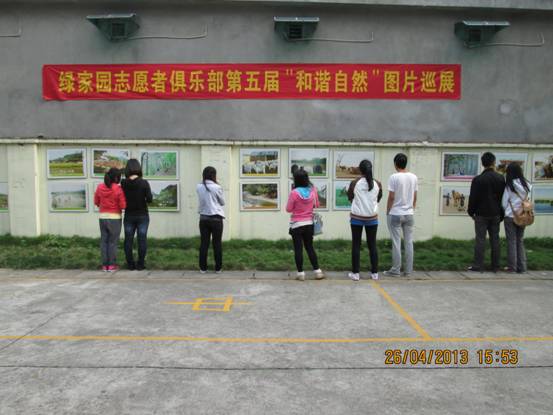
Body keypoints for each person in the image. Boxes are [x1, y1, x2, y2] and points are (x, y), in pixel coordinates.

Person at [467, 152, 505, 272]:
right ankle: (495, 266)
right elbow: (502, 197)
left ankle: (478, 265)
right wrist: (501, 213)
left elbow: (473, 198)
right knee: (495, 239)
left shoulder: (478, 179)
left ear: (482, 163)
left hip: (481, 213)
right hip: (495, 213)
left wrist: (471, 212)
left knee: (480, 240)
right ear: (494, 162)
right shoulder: (500, 178)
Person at [286, 169, 325, 281]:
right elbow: (317, 205)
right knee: (309, 247)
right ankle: (318, 272)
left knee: (298, 249)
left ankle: (301, 274)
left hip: (297, 225)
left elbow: (288, 209)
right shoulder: (312, 191)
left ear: (296, 180)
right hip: (309, 224)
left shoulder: (294, 193)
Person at [347, 159, 382, 281]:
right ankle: (375, 273)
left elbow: (350, 196)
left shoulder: (354, 183)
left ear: (360, 170)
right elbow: (378, 198)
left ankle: (355, 273)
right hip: (372, 218)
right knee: (372, 245)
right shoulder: (377, 183)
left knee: (356, 245)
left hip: (356, 218)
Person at [384, 153, 418, 277]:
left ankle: (395, 270)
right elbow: (415, 197)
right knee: (409, 242)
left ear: (395, 164)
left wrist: (388, 211)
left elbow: (391, 197)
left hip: (395, 213)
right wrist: (411, 208)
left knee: (396, 242)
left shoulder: (393, 177)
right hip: (409, 214)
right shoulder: (413, 177)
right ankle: (408, 270)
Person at [121, 159, 152, 271]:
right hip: (142, 215)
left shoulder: (123, 183)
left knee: (128, 240)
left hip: (129, 215)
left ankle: (130, 264)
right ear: (139, 168)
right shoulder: (144, 183)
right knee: (142, 239)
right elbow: (149, 199)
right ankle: (140, 264)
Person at [94, 167, 126, 272]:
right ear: (116, 178)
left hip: (102, 217)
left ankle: (104, 265)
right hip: (115, 218)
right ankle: (112, 265)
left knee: (104, 241)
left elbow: (96, 202)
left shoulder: (100, 187)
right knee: (113, 242)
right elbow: (123, 205)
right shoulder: (118, 189)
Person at [502, 163, 531, 273]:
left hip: (510, 216)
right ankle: (522, 267)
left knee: (512, 242)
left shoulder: (509, 185)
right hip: (523, 216)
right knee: (520, 241)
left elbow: (504, 202)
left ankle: (512, 267)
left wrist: (506, 210)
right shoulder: (527, 185)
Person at [196, 166, 225, 273]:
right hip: (216, 218)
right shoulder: (217, 187)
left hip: (203, 218)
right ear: (214, 175)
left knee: (204, 243)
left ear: (203, 175)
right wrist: (218, 184)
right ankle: (218, 268)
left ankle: (203, 268)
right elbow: (222, 202)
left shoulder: (199, 186)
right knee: (217, 243)